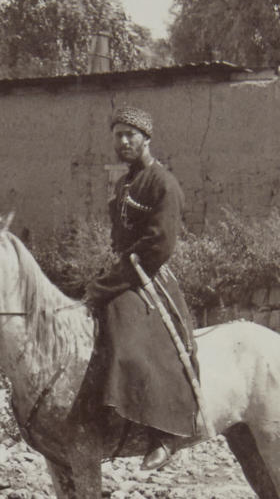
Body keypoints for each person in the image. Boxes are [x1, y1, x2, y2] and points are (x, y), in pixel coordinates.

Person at [84, 105, 198, 470]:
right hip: (123, 270)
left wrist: (111, 283)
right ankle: (100, 413)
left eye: (131, 134)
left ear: (147, 138)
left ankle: (164, 432)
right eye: (118, 134)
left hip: (148, 275)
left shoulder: (164, 184)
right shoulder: (124, 184)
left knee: (133, 338)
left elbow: (158, 246)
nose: (124, 140)